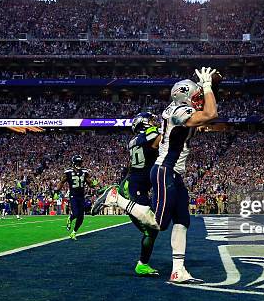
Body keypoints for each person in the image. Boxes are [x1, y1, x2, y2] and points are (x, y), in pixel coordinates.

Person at [96, 66, 220, 284]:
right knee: (159, 223)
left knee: (183, 220)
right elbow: (210, 113)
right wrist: (207, 86)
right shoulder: (179, 111)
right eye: (196, 96)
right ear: (186, 97)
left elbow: (200, 107)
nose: (199, 99)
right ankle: (115, 198)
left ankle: (178, 270)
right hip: (165, 171)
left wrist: (205, 85)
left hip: (174, 173)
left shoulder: (177, 108)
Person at [95, 112, 162, 276]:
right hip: (134, 188)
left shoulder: (134, 140)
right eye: (152, 120)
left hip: (135, 185)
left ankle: (142, 264)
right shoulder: (150, 135)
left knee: (152, 230)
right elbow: (161, 141)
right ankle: (114, 197)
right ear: (145, 123)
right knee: (153, 226)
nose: (155, 122)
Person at [56, 154, 97, 240]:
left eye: (80, 162)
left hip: (81, 196)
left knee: (81, 217)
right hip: (73, 195)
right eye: (78, 162)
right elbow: (62, 181)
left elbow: (89, 183)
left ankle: (74, 232)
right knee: (75, 213)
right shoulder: (68, 172)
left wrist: (94, 185)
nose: (79, 164)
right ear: (74, 162)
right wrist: (57, 190)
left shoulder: (85, 172)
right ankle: (70, 218)